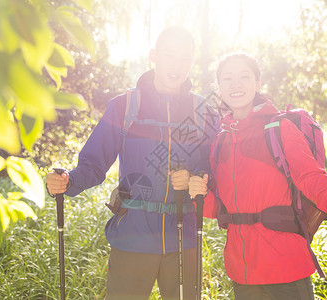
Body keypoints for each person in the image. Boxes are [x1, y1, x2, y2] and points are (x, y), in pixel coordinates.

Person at [187, 53, 327, 300]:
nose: (236, 84)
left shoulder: (279, 129)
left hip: (286, 269)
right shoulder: (220, 142)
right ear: (220, 88)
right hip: (242, 274)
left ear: (257, 84)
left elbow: (312, 179)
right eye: (228, 78)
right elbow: (219, 209)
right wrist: (197, 194)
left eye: (244, 76)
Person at [46, 27, 218, 300]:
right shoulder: (124, 106)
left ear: (192, 62)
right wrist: (68, 180)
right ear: (154, 56)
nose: (176, 64)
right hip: (132, 237)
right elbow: (93, 163)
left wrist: (199, 177)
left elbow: (213, 166)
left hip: (183, 239)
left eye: (185, 57)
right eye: (169, 54)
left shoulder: (205, 113)